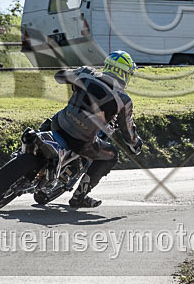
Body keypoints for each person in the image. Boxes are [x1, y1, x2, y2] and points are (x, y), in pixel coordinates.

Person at [43, 51, 143, 207]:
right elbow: (128, 132)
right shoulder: (123, 100)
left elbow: (59, 76)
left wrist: (74, 80)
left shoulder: (87, 72)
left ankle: (23, 152)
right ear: (124, 73)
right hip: (82, 141)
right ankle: (79, 196)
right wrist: (135, 144)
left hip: (60, 124)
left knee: (53, 119)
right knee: (112, 155)